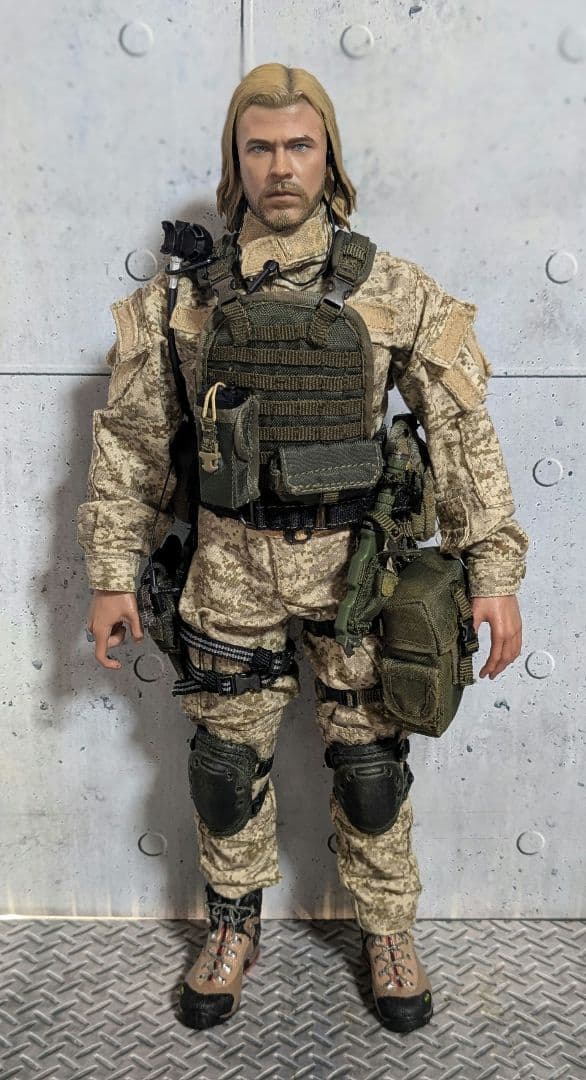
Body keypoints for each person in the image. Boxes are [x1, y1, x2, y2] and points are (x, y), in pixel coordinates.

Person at [77, 63, 529, 1035]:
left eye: (299, 145)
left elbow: (461, 431)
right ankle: (232, 924)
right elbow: (133, 443)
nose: (280, 167)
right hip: (228, 566)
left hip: (354, 571)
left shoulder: (389, 288)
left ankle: (387, 930)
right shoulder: (181, 301)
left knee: (372, 771)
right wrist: (112, 573)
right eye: (260, 147)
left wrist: (492, 573)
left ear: (329, 157)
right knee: (223, 768)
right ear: (234, 161)